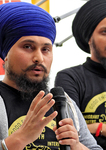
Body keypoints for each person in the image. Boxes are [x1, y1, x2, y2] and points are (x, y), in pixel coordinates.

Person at [0, 2, 102, 150]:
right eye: (28, 47)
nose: (39, 58)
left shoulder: (64, 103)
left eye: (45, 49)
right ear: (6, 53)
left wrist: (77, 146)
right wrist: (20, 138)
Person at [54, 0, 106, 149]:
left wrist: (96, 127)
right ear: (89, 38)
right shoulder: (70, 77)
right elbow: (69, 130)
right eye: (105, 32)